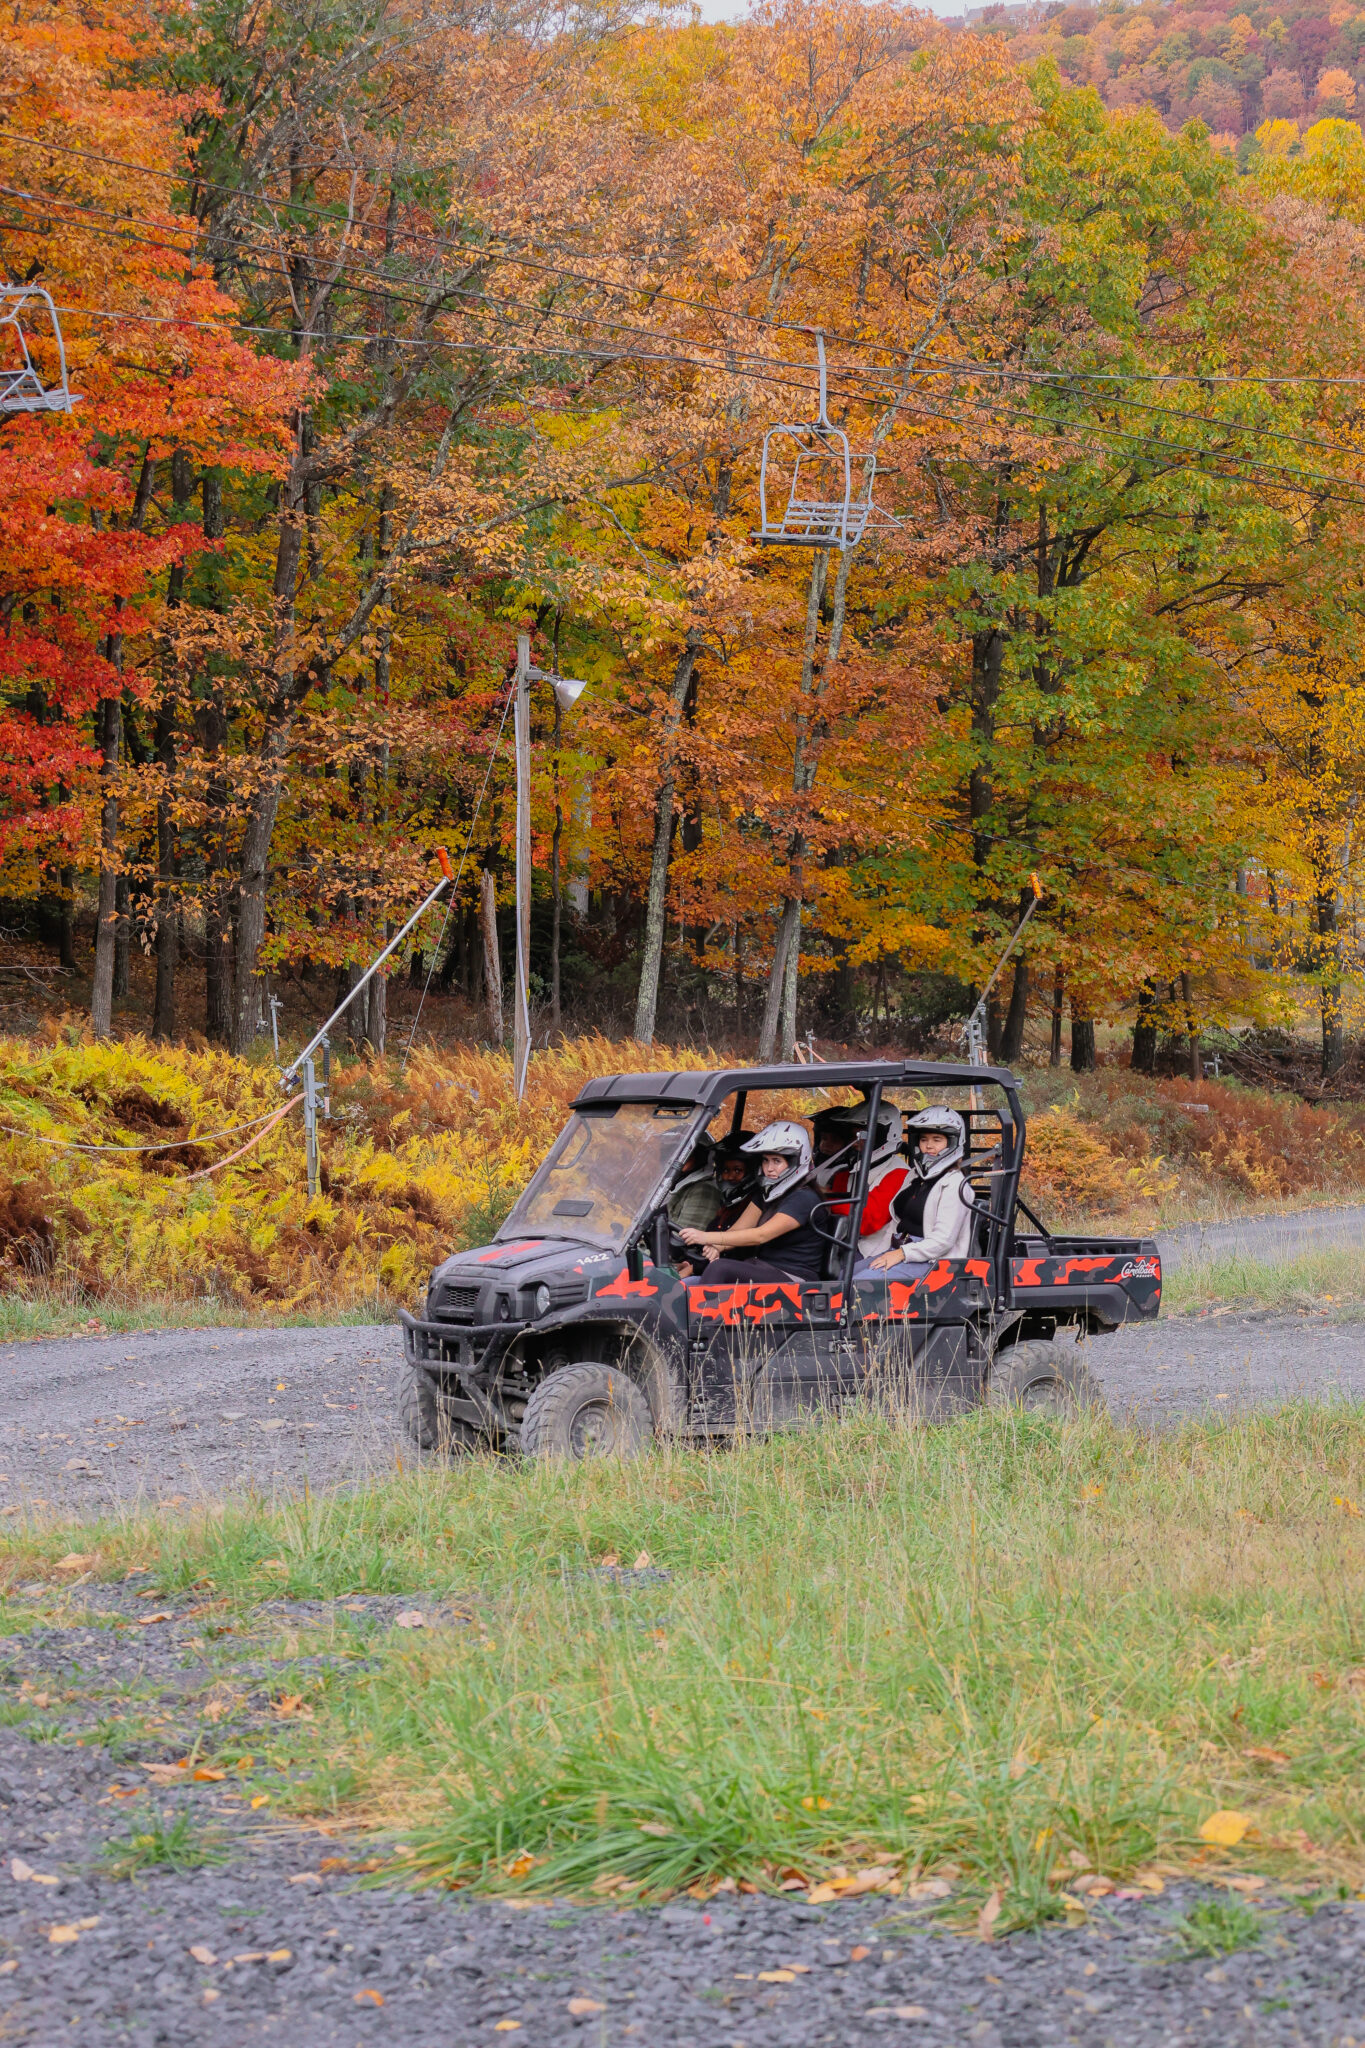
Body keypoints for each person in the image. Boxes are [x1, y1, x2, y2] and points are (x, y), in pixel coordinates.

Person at [678, 1121, 829, 1285]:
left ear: (794, 1162)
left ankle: (703, 1311)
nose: (769, 1168)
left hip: (793, 1277)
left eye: (777, 1161)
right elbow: (738, 1229)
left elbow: (761, 1235)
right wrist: (717, 1247)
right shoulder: (767, 1194)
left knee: (719, 1268)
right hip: (762, 1267)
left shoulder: (804, 1198)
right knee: (691, 1283)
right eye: (765, 1160)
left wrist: (704, 1236)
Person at [856, 1106, 972, 1280]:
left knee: (862, 1282)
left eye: (937, 1139)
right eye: (924, 1139)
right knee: (844, 1276)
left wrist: (901, 1254)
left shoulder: (955, 1184)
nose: (929, 1146)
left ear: (952, 1142)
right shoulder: (915, 1176)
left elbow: (943, 1241)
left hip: (933, 1262)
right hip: (901, 1249)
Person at [811, 1100, 908, 1258]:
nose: (856, 1143)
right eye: (853, 1136)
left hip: (875, 1252)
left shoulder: (899, 1173)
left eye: (864, 1136)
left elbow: (866, 1222)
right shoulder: (847, 1173)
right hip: (841, 1243)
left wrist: (823, 1195)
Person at [667, 1134, 724, 1234]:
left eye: (686, 1154)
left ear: (699, 1157)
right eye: (675, 1152)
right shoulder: (673, 1183)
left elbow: (681, 1241)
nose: (678, 1158)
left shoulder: (705, 1191)